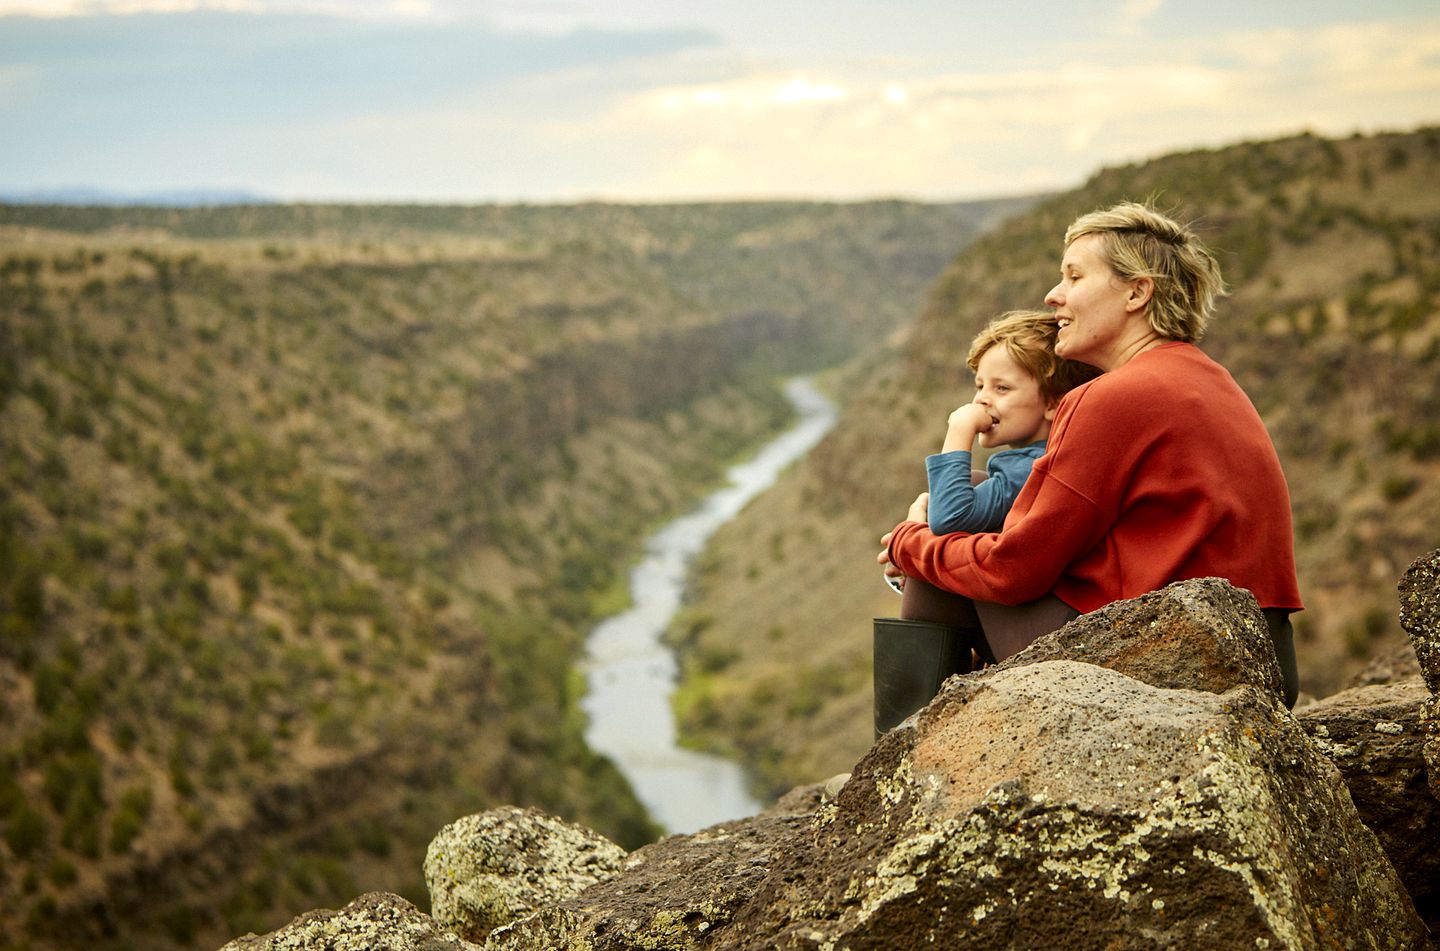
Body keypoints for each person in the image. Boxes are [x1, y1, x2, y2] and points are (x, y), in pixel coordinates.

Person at [872, 201, 1303, 737]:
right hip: (1255, 654)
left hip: (1178, 666)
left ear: (1136, 292)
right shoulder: (1206, 378)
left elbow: (1014, 572)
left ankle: (906, 758)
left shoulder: (1114, 398)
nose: (1054, 296)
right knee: (975, 497)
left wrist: (912, 545)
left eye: (1074, 276)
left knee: (945, 545)